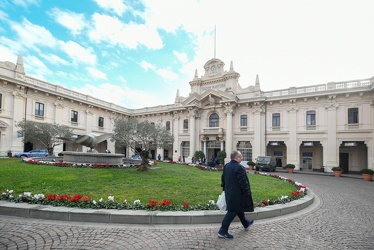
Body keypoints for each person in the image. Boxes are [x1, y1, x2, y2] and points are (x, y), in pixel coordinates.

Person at [218, 150, 254, 239]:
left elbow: (223, 179)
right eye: (240, 157)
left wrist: (225, 188)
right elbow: (243, 182)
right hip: (237, 194)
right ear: (237, 157)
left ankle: (246, 223)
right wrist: (247, 192)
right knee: (232, 211)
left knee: (238, 209)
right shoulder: (239, 167)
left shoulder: (226, 166)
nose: (241, 158)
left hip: (229, 192)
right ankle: (222, 231)